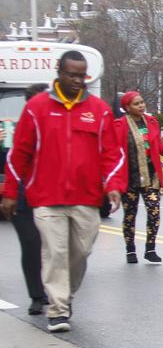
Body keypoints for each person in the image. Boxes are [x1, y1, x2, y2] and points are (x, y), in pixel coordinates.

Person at [2, 51, 125, 333]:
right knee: (55, 252)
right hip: (46, 198)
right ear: (59, 72)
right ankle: (57, 310)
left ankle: (65, 297)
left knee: (80, 252)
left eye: (82, 76)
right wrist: (11, 191)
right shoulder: (37, 107)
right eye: (72, 75)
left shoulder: (99, 109)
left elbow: (112, 154)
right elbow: (18, 153)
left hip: (86, 197)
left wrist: (114, 186)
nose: (77, 81)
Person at [4, 83, 48, 315]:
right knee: (31, 245)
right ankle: (37, 295)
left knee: (55, 248)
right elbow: (10, 160)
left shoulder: (56, 125)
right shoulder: (14, 127)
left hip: (51, 196)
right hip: (24, 197)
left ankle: (56, 291)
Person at [116, 90, 163, 264]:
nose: (141, 106)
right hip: (130, 177)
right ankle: (130, 250)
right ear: (127, 107)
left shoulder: (151, 122)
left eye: (142, 102)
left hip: (151, 176)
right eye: (136, 104)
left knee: (154, 211)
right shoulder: (119, 125)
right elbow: (115, 152)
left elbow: (158, 146)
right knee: (130, 213)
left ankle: (150, 248)